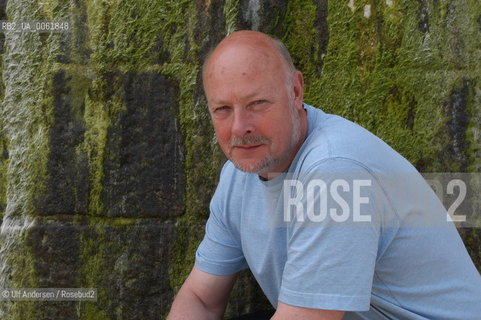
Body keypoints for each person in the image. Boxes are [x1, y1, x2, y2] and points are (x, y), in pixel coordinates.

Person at [167, 30, 481, 320]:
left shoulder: (336, 172)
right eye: (222, 109)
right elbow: (201, 299)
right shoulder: (239, 175)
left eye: (257, 103)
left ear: (295, 91)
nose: (239, 128)